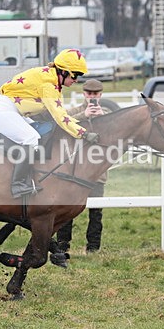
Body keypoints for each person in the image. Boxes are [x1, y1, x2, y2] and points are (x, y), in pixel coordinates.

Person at [0, 48, 96, 198]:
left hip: (14, 110)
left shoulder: (52, 79)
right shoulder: (49, 85)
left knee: (39, 133)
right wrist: (82, 133)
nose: (76, 80)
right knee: (31, 138)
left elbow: (61, 114)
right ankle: (18, 184)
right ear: (64, 71)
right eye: (75, 75)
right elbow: (60, 117)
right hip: (5, 111)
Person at [55, 79, 110, 254]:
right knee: (66, 210)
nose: (92, 97)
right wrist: (83, 116)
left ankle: (93, 247)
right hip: (74, 171)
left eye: (95, 94)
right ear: (84, 94)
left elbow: (113, 136)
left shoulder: (107, 114)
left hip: (97, 172)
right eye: (89, 94)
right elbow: (62, 127)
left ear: (100, 95)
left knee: (96, 212)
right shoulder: (73, 113)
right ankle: (63, 245)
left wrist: (103, 118)